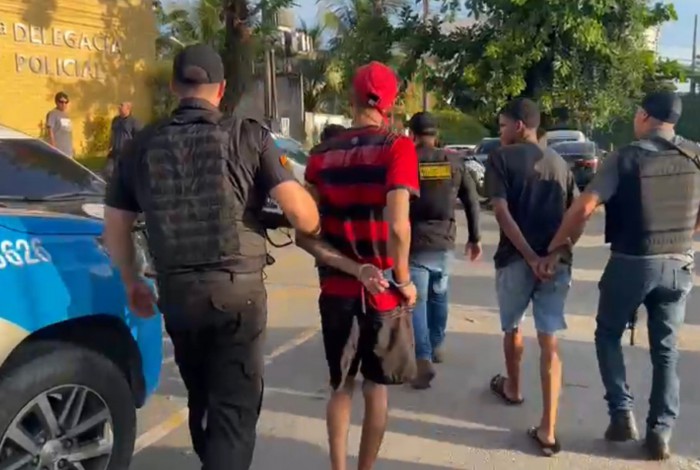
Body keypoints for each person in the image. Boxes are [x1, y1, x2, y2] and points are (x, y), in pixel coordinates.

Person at [102, 44, 324, 470]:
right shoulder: (248, 135)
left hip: (177, 294)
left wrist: (132, 282)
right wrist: (314, 224)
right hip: (236, 294)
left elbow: (115, 227)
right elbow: (299, 213)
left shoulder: (140, 145)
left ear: (174, 87)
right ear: (221, 90)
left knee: (201, 395)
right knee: (234, 411)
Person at [546, 90, 700, 461]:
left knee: (608, 333)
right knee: (666, 350)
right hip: (679, 264)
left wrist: (557, 246)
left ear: (644, 116)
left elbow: (584, 206)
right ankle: (660, 431)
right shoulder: (695, 155)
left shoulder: (624, 157)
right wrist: (687, 237)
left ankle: (621, 415)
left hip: (633, 261)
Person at [296, 61, 420, 470]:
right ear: (390, 103)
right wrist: (403, 280)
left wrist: (352, 269)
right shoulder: (398, 147)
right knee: (376, 388)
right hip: (383, 292)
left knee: (340, 387)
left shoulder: (320, 156)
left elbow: (305, 235)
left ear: (351, 98)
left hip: (336, 291)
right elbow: (398, 226)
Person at [484, 97, 578, 457]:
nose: (500, 132)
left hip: (515, 260)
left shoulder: (500, 158)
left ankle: (513, 388)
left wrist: (530, 256)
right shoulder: (559, 162)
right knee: (549, 341)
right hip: (555, 265)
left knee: (513, 327)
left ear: (519, 126)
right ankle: (548, 430)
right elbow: (578, 213)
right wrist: (555, 254)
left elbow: (501, 212)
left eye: (502, 125)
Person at [406, 111, 482, 389]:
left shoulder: (407, 162)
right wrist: (475, 238)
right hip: (445, 242)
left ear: (412, 134)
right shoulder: (454, 162)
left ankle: (422, 357)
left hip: (415, 241)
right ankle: (436, 344)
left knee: (417, 301)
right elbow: (472, 200)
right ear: (436, 134)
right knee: (439, 294)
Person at [105, 101, 143, 178]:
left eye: (122, 106)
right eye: (119, 105)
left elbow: (139, 138)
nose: (119, 107)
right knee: (108, 172)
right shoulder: (115, 120)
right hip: (115, 152)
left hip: (126, 153)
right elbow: (112, 134)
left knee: (124, 174)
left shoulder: (134, 122)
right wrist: (110, 146)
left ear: (128, 109)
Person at [46, 91, 73, 157]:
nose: (64, 104)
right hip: (58, 149)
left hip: (68, 151)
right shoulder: (53, 114)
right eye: (61, 102)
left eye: (66, 102)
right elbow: (50, 130)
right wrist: (53, 146)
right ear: (56, 102)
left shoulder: (66, 115)